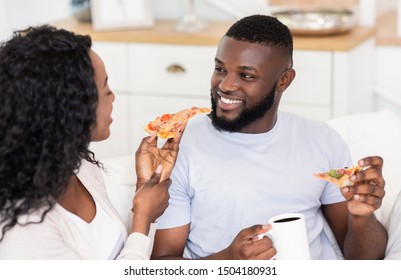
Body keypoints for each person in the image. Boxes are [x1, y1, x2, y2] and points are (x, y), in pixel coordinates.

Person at [151, 14, 388, 260]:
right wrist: (228, 260)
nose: (226, 85)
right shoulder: (180, 146)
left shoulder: (322, 140)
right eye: (220, 69)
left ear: (284, 80)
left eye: (246, 75)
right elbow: (163, 263)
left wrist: (362, 217)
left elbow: (365, 262)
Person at [0, 25, 183, 259]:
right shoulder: (26, 229)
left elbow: (118, 252)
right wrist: (143, 218)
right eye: (105, 89)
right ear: (72, 108)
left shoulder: (78, 167)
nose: (113, 96)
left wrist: (143, 191)